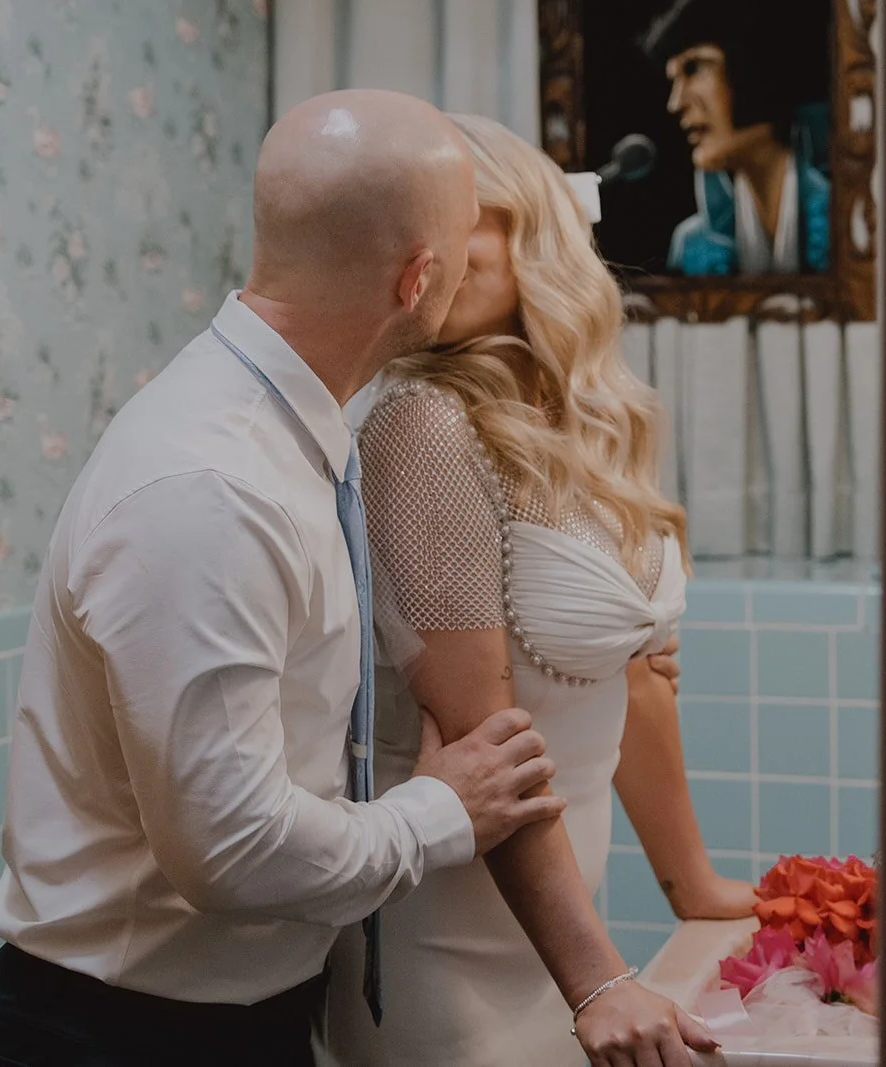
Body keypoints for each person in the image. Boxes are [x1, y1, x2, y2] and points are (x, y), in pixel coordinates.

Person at [0, 89, 569, 1067]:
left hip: (237, 1018)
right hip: (123, 1036)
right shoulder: (213, 485)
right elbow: (232, 848)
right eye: (466, 239)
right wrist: (440, 811)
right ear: (418, 277)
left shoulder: (292, 434)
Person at [321, 114, 757, 1067]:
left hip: (555, 934)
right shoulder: (420, 426)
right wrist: (596, 978)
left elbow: (635, 676)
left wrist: (692, 885)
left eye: (453, 218)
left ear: (534, 223)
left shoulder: (591, 424)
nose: (422, 253)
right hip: (453, 956)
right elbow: (482, 739)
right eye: (403, 230)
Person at [640, 0, 832, 276]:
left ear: (758, 67)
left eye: (694, 68)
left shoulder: (848, 225)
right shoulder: (692, 246)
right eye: (674, 80)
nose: (676, 103)